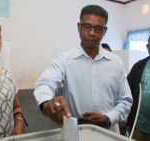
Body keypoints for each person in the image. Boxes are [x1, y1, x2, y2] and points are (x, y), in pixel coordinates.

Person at [33, 5, 133, 133]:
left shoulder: (116, 62)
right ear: (79, 27)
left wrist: (108, 117)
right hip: (75, 132)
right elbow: (45, 83)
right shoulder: (64, 60)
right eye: (87, 26)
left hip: (109, 132)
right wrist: (46, 102)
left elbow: (125, 100)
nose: (92, 33)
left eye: (98, 28)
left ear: (105, 31)